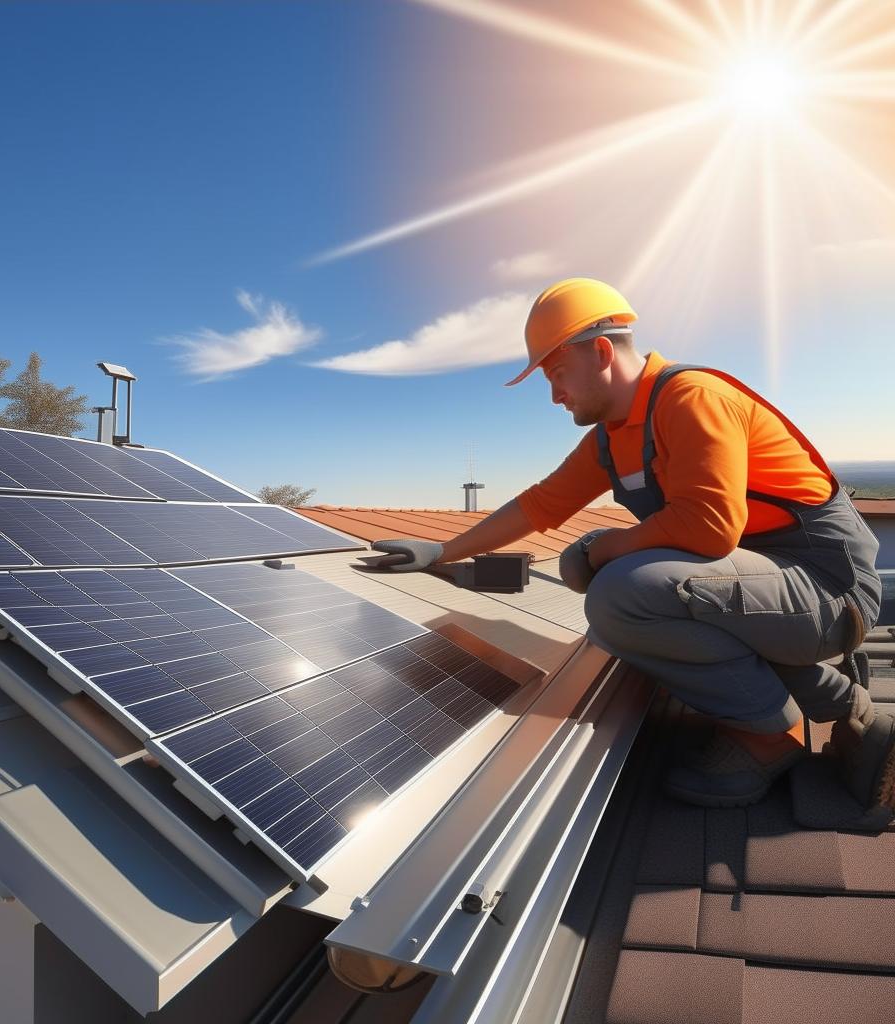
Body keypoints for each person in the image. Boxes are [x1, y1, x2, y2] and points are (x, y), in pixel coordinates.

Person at [372, 277, 893, 817]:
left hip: (830, 591)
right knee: (581, 565)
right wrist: (443, 551)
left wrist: (610, 548)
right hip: (769, 585)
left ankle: (769, 735)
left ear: (600, 351)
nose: (554, 395)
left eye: (556, 374)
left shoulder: (693, 399)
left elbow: (710, 528)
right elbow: (539, 505)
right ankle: (830, 697)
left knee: (620, 592)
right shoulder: (615, 434)